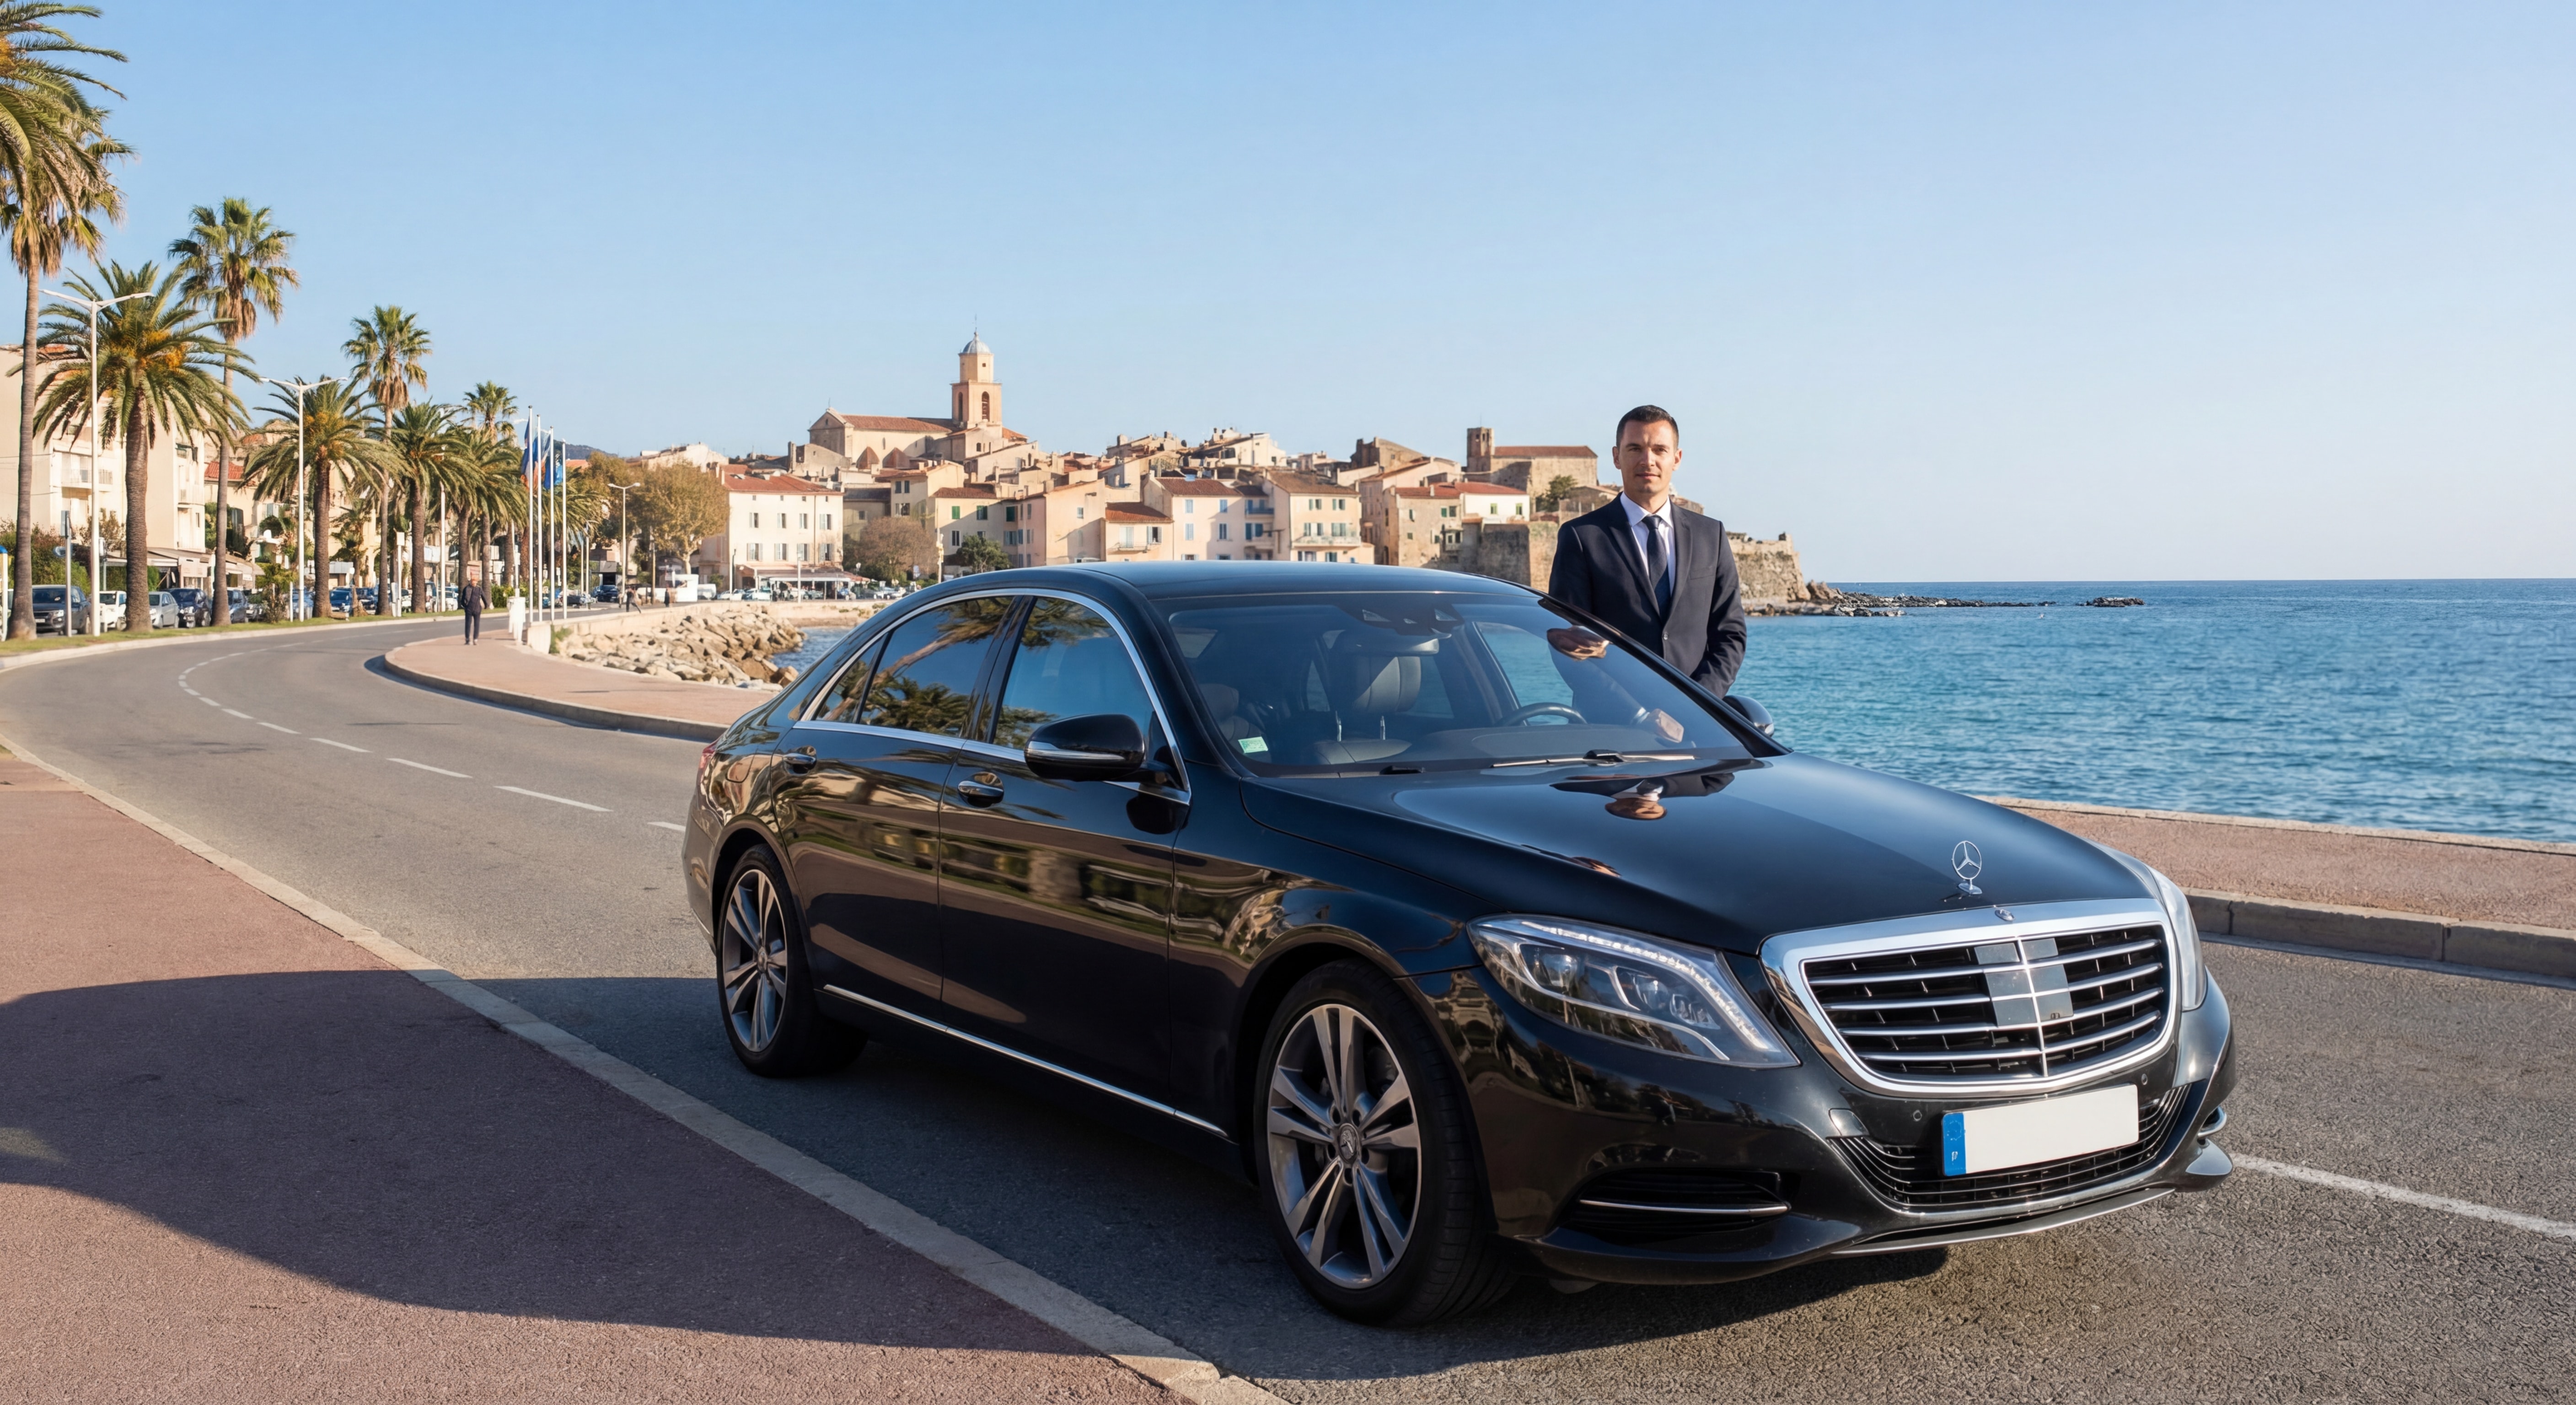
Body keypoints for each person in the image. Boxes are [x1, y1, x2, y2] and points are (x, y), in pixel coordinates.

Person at [1546, 404, 1747, 699]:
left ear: (1676, 459)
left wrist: (1695, 707)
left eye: (1659, 450)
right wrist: (1641, 716)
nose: (1647, 460)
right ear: (1617, 457)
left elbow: (1730, 636)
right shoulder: (1582, 537)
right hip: (1612, 729)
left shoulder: (1711, 536)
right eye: (1635, 448)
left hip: (1697, 729)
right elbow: (1571, 645)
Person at [460, 574, 487, 645]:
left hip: (477, 610)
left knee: (477, 625)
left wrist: (486, 605)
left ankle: (475, 639)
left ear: (477, 582)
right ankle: (468, 639)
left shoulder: (479, 589)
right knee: (468, 624)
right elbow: (463, 599)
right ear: (471, 581)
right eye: (473, 581)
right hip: (469, 609)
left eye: (475, 581)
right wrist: (464, 606)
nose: (474, 583)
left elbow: (484, 598)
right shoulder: (467, 589)